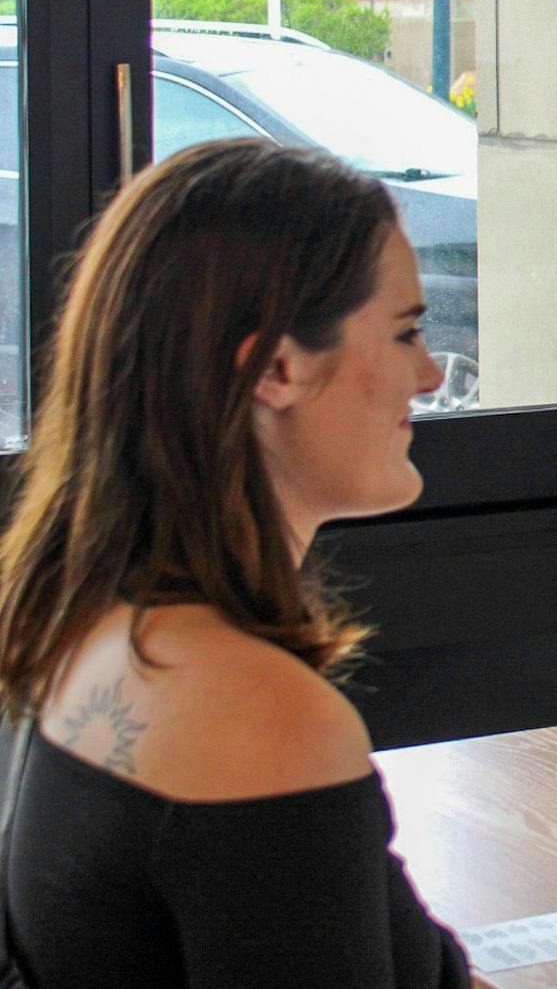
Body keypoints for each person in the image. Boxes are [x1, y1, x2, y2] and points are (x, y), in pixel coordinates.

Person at [0, 141, 473, 986]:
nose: (429, 374)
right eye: (404, 331)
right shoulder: (261, 719)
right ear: (277, 367)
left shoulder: (78, 621)